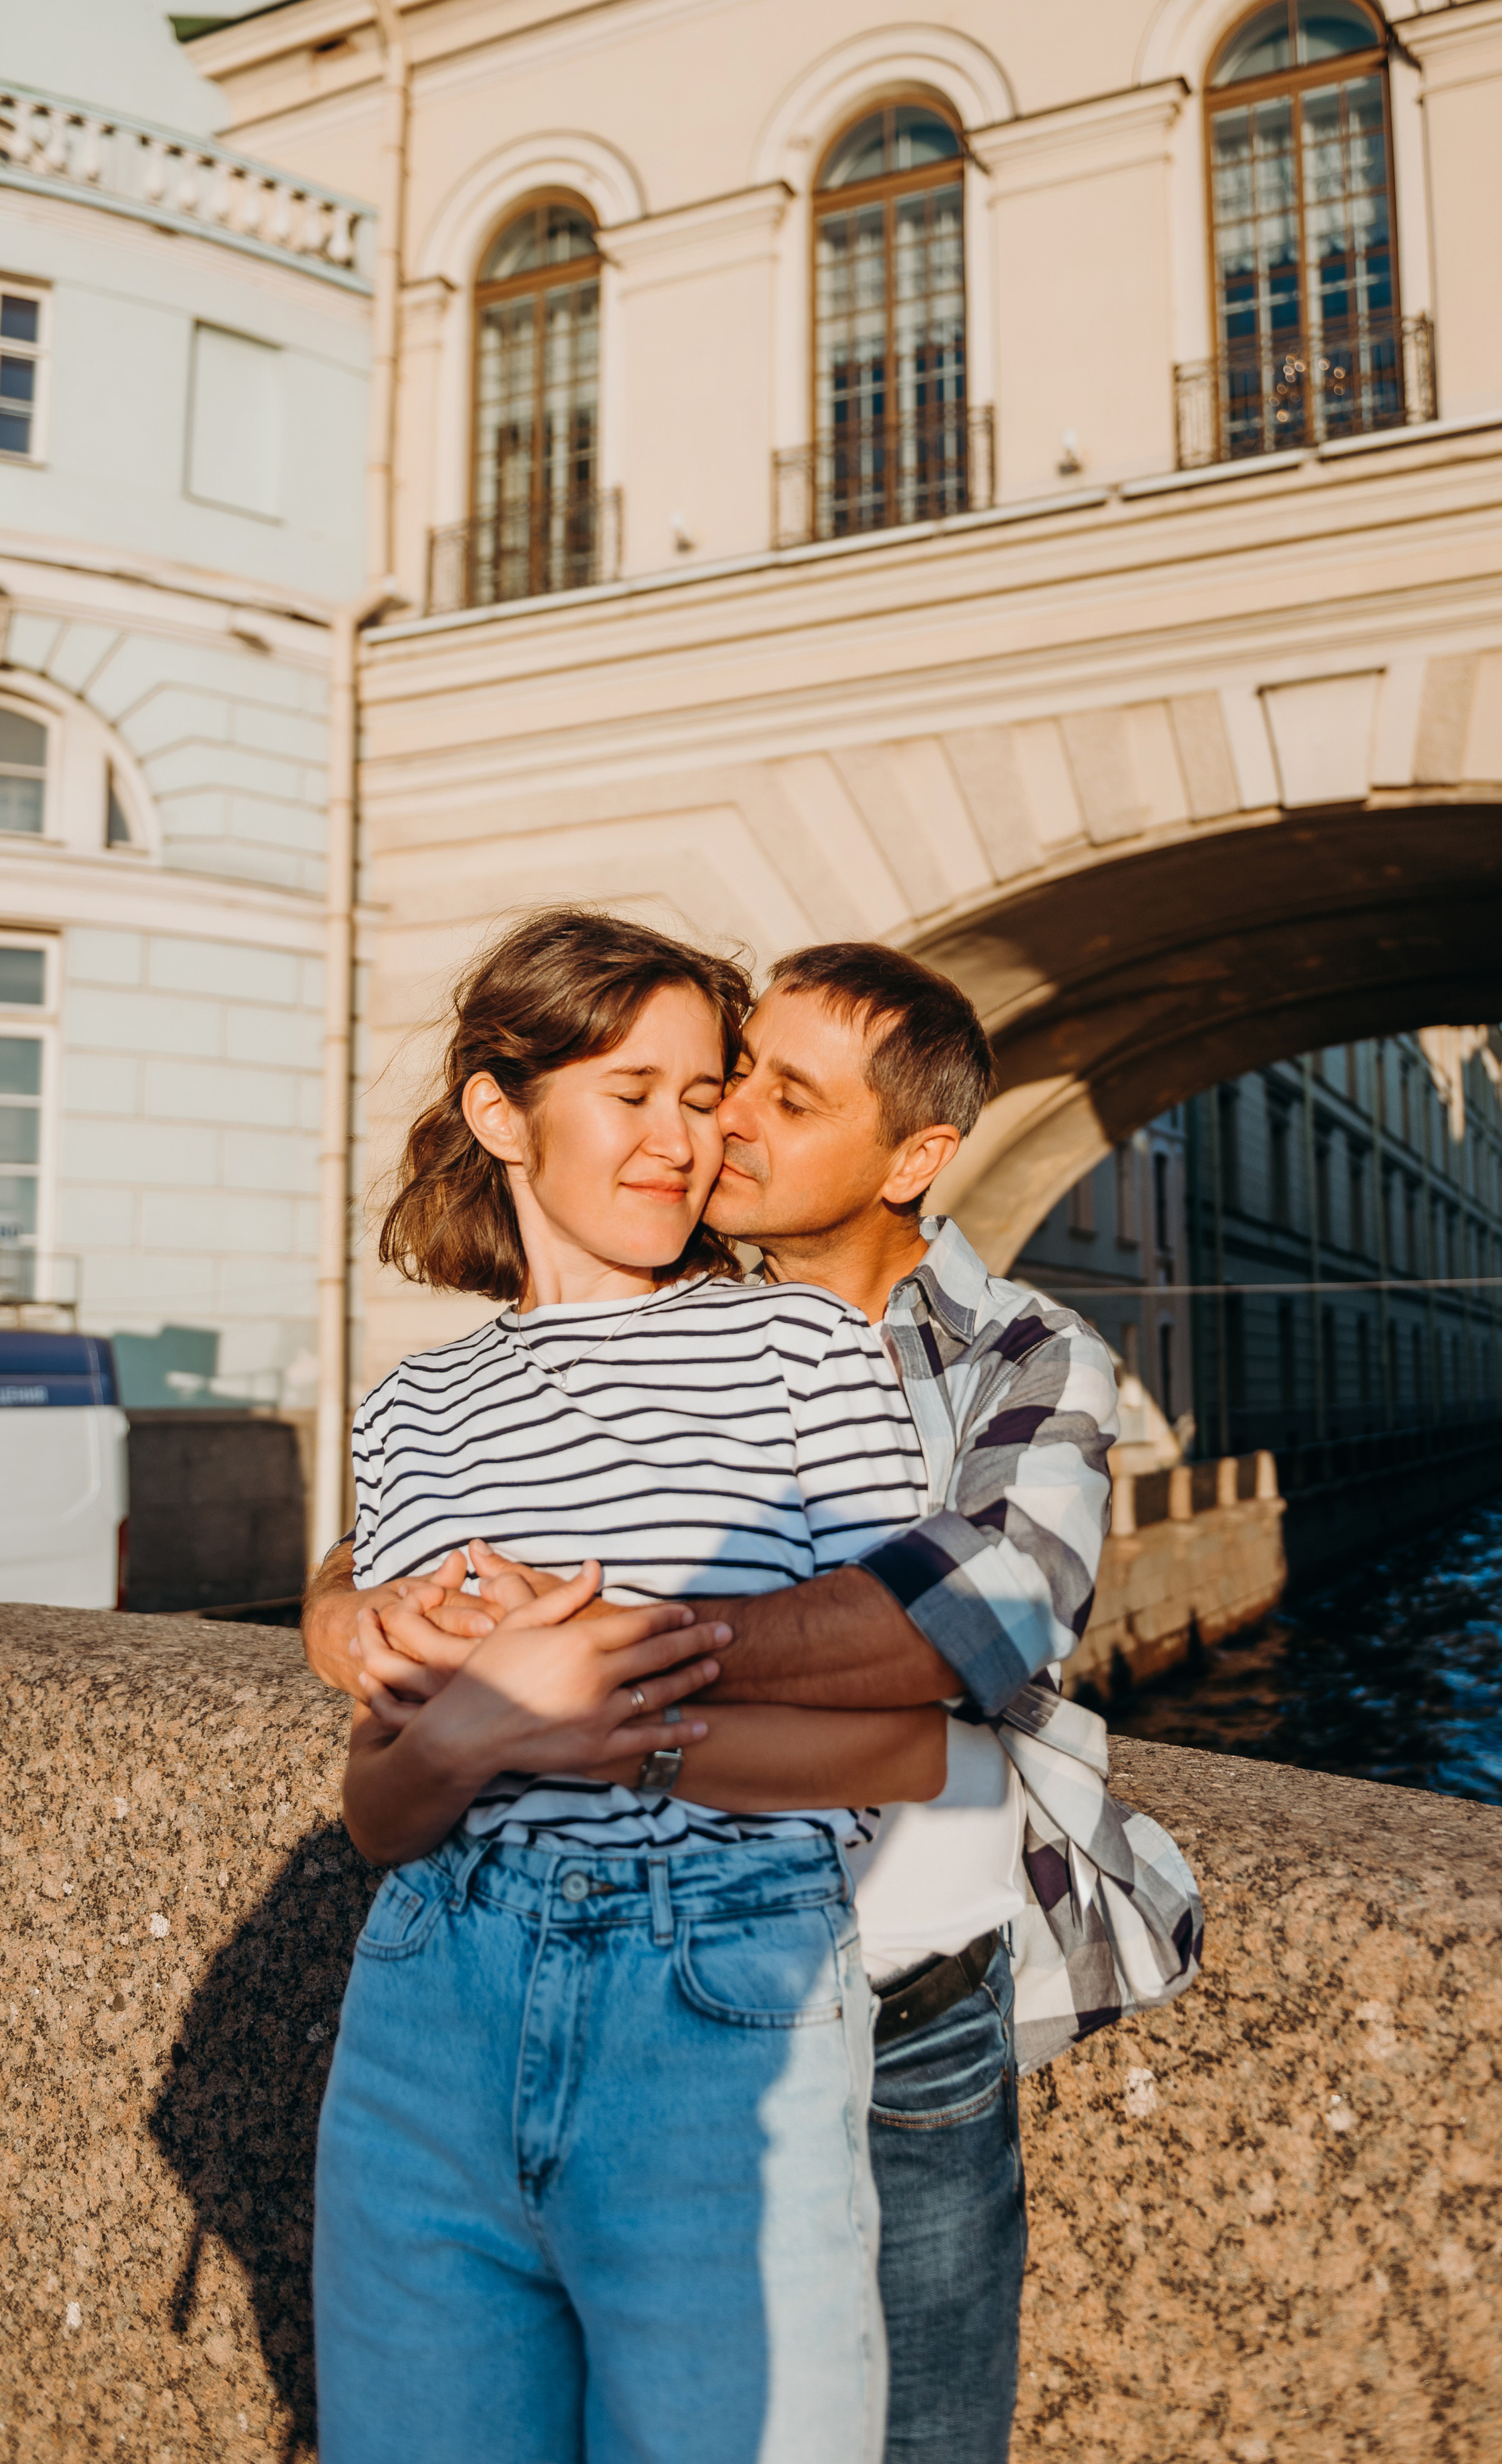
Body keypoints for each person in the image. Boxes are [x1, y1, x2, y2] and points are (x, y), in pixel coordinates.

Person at [306, 939, 1203, 2464]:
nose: (709, 1131)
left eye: (761, 1097)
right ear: (506, 1114)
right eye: (689, 1089)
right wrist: (360, 1622)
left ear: (911, 1157)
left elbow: (967, 1631)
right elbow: (399, 1709)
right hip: (450, 1982)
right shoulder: (490, 1366)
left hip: (880, 1989)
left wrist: (579, 1677)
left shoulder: (1004, 1356)